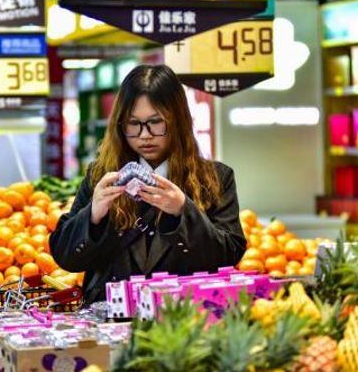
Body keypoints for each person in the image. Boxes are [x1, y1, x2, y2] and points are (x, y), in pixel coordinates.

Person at [50, 65, 246, 305]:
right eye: (133, 124)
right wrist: (92, 216)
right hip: (110, 322)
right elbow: (67, 259)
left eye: (156, 122)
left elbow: (229, 256)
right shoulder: (101, 175)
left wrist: (184, 211)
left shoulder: (215, 178)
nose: (144, 135)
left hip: (184, 321)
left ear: (179, 122)